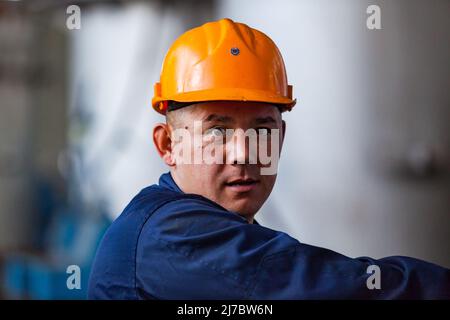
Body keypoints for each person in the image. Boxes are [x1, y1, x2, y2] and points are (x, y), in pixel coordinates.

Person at [88, 18, 450, 299]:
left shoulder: (226, 232)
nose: (245, 153)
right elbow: (337, 288)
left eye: (262, 130)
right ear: (168, 144)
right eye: (217, 132)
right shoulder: (170, 234)